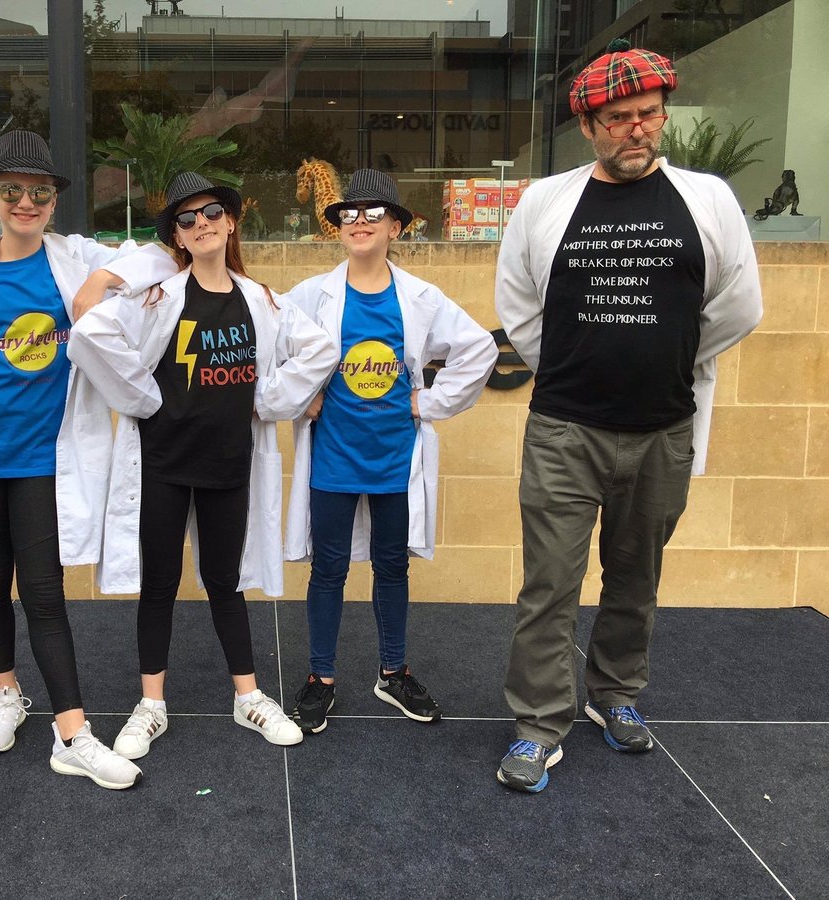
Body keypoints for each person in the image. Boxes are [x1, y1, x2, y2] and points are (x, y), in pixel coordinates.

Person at [494, 40, 763, 793]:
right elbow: (519, 303)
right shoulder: (546, 201)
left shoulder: (706, 199)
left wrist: (666, 356)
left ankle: (614, 696)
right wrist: (580, 360)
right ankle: (539, 725)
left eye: (649, 114)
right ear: (590, 125)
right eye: (620, 118)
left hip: (663, 426)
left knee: (635, 574)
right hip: (565, 426)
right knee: (549, 581)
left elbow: (737, 304)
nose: (637, 129)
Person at [0, 131, 176, 790]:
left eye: (38, 191)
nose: (25, 202)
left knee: (43, 593)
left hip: (43, 456)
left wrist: (103, 276)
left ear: (55, 199)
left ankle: (73, 733)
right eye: (11, 191)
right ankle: (7, 694)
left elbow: (161, 255)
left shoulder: (75, 257)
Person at [67, 172, 338, 758]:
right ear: (179, 239)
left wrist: (269, 399)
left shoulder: (262, 300)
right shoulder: (158, 298)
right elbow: (89, 331)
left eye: (212, 212)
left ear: (232, 220)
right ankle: (151, 704)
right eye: (186, 221)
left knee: (225, 581)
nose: (202, 224)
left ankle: (248, 696)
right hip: (163, 462)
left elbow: (321, 348)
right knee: (159, 584)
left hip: (228, 465)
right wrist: (142, 398)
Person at [281, 170, 498, 734]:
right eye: (349, 215)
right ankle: (320, 678)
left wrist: (430, 403)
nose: (359, 223)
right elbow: (271, 347)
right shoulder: (310, 296)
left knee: (392, 565)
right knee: (326, 568)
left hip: (394, 458)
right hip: (332, 456)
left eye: (373, 214)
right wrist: (300, 397)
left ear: (396, 226)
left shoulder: (421, 299)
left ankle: (393, 671)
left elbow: (477, 349)